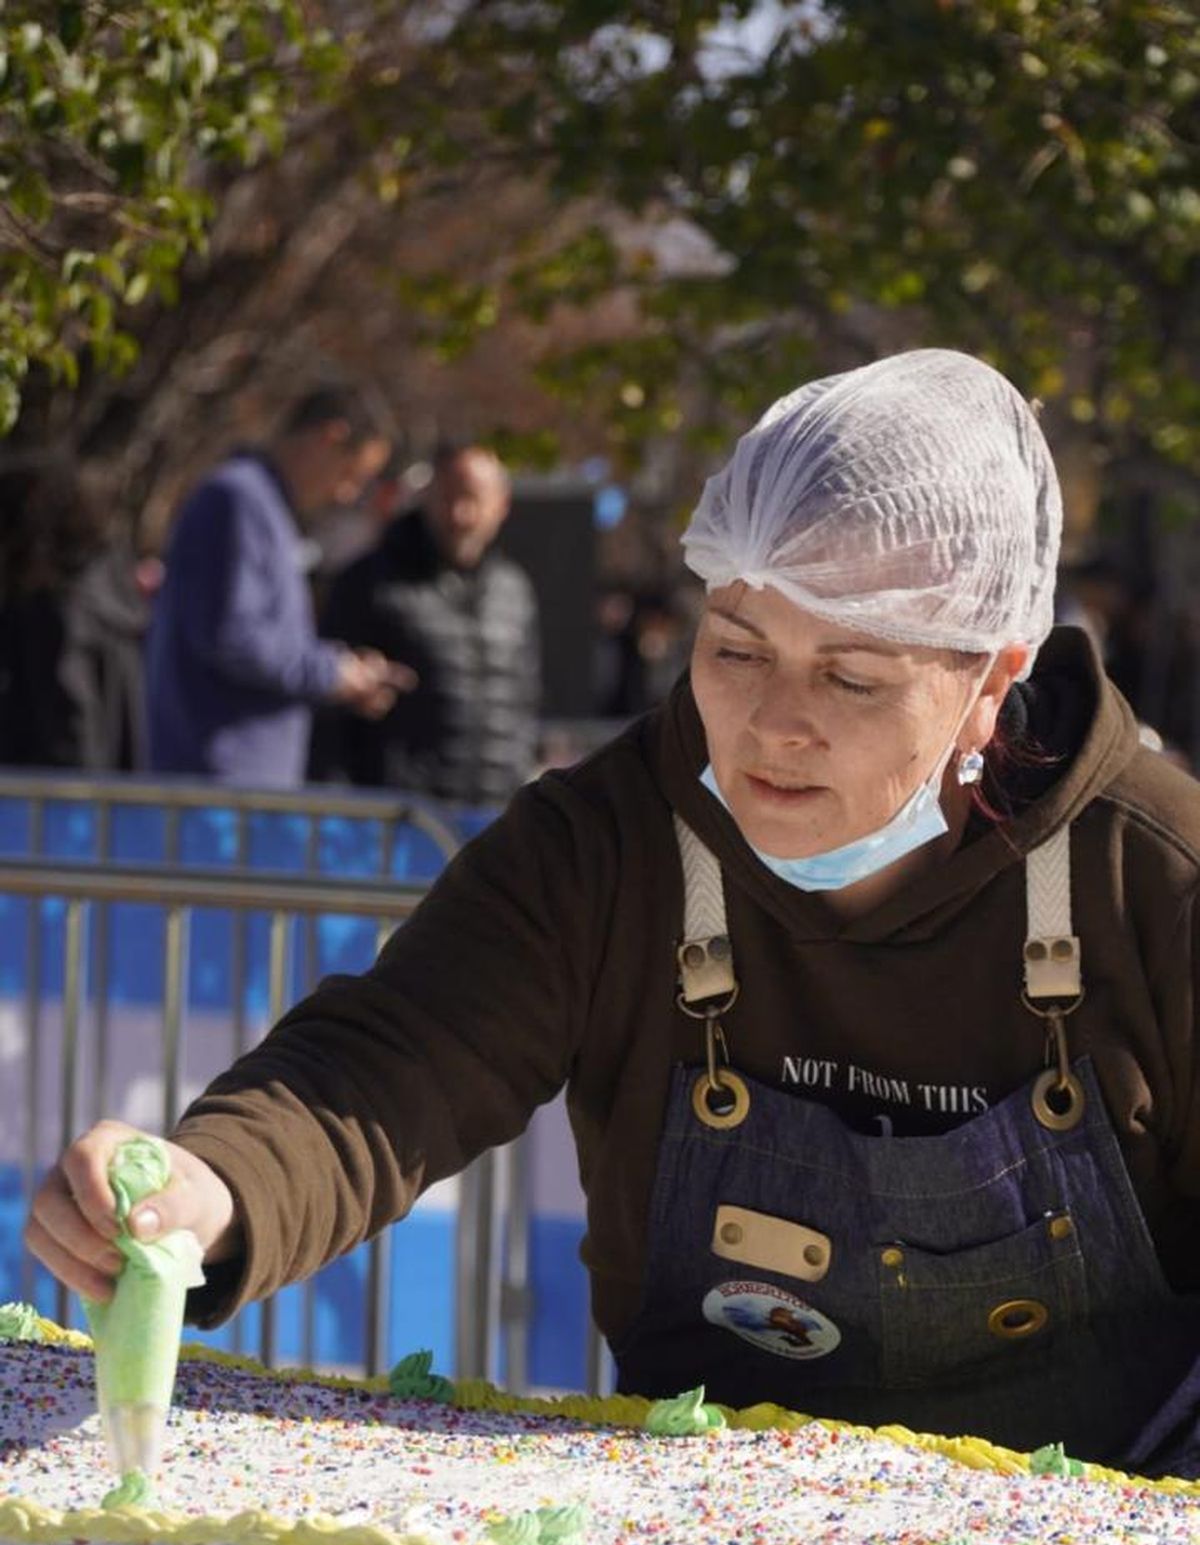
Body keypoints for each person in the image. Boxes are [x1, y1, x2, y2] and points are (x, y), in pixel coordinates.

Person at [26, 348, 1200, 1476]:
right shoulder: (609, 843)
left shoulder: (1152, 878)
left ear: (991, 679)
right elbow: (393, 1060)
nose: (773, 725)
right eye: (737, 650)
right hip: (700, 1533)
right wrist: (216, 1184)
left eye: (849, 677)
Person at [144, 384, 414, 788]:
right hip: (221, 783)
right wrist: (333, 672)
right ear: (330, 439)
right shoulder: (239, 500)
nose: (346, 494)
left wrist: (338, 669)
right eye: (352, 474)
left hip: (237, 780)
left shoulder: (262, 506)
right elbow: (235, 637)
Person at [311, 440, 542, 804]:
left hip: (496, 816)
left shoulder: (513, 591)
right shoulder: (370, 583)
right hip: (402, 820)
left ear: (501, 504)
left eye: (474, 498)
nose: (460, 515)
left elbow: (525, 702)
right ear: (426, 498)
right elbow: (329, 718)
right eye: (448, 497)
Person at [0, 455, 150, 771]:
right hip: (113, 789)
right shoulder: (111, 595)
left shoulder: (53, 617)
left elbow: (70, 734)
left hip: (52, 794)